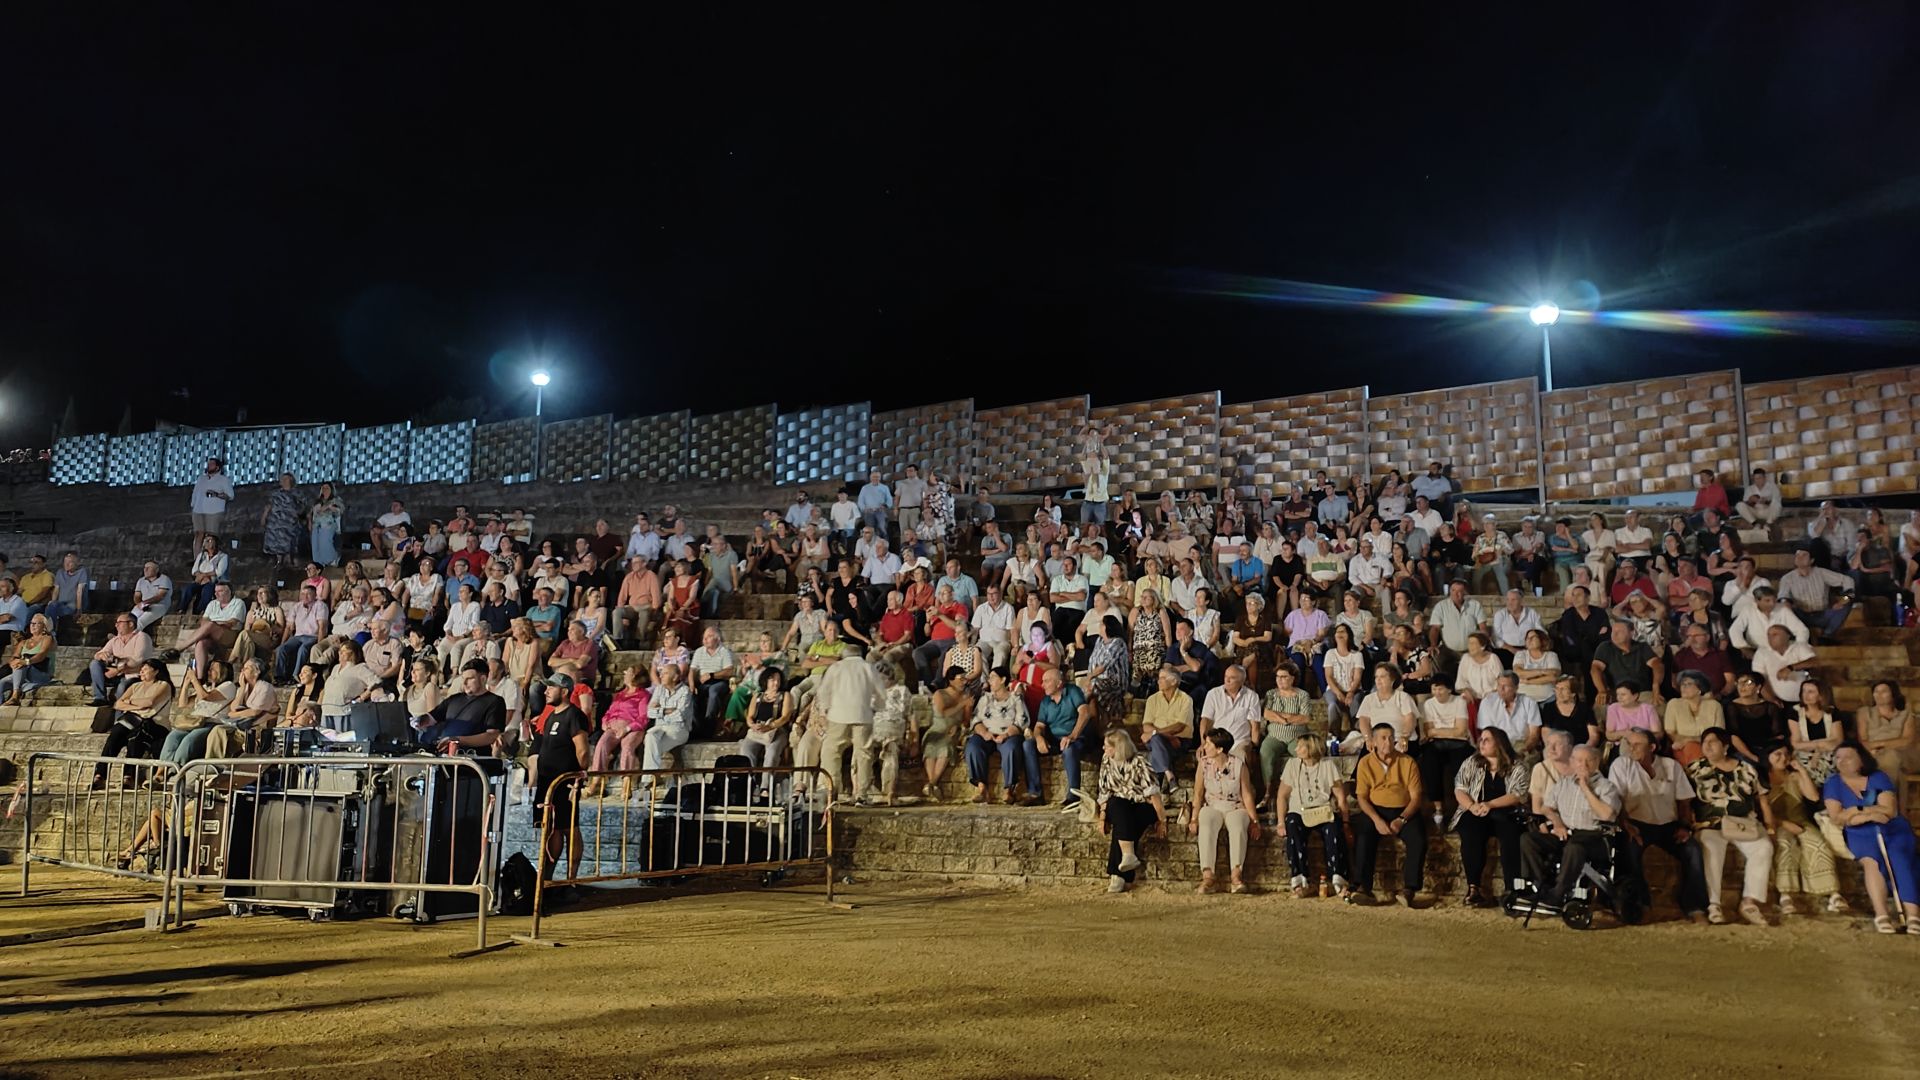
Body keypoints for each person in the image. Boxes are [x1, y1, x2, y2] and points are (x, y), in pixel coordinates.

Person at [1608, 726, 1710, 923]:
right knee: (1629, 851)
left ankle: (1695, 907)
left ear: (1652, 747)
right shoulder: (1621, 765)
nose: (1631, 748)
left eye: (1637, 744)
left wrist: (1684, 826)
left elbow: (1684, 801)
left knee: (1693, 851)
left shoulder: (1671, 766)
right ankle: (1641, 906)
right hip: (1636, 824)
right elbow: (1615, 799)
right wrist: (1625, 824)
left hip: (1668, 825)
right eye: (1629, 744)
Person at [1823, 741, 1920, 934]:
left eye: (1848, 757)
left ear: (1861, 760)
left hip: (1892, 829)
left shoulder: (1878, 777)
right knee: (1871, 861)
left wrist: (1856, 811)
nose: (1842, 762)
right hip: (1859, 833)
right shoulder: (1834, 783)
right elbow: (1837, 816)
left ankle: (1913, 917)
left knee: (1900, 860)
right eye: (1838, 757)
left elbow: (1889, 811)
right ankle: (1881, 915)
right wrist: (1866, 813)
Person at [1689, 727, 1777, 926]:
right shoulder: (1695, 768)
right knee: (1710, 848)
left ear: (1726, 746)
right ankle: (1713, 904)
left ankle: (1749, 902)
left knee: (1763, 847)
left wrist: (1770, 826)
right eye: (1704, 742)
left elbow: (1762, 799)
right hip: (1710, 824)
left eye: (1713, 741)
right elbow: (1684, 800)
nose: (1707, 746)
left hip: (1743, 823)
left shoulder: (1746, 769)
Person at [1519, 744, 1623, 910]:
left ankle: (1558, 894)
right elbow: (1547, 807)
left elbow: (1607, 815)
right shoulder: (1563, 783)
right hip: (1566, 833)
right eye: (1579, 760)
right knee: (1528, 839)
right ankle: (1541, 887)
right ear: (1572, 762)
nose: (1583, 765)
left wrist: (1585, 788)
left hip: (1594, 836)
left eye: (1588, 761)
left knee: (1575, 847)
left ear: (1596, 762)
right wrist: (1557, 822)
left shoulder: (1606, 787)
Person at [1351, 721, 1430, 907]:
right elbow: (1361, 797)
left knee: (1418, 838)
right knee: (1363, 835)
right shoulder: (1365, 763)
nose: (1388, 742)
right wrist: (1377, 820)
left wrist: (1402, 819)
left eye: (1391, 738)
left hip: (1403, 810)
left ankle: (1409, 889)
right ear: (1375, 741)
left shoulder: (1407, 762)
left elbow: (1416, 796)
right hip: (1375, 809)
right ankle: (1362, 887)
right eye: (1383, 738)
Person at [1763, 746, 1848, 917]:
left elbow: (1814, 797)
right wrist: (1783, 824)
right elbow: (1763, 811)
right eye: (1777, 754)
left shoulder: (1794, 777)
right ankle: (1786, 895)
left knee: (1818, 843)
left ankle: (1833, 894)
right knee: (1786, 845)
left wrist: (1801, 770)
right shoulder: (1763, 779)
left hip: (1800, 820)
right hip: (1777, 823)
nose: (1783, 758)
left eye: (1786, 754)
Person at [1452, 727, 1531, 906]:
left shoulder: (1517, 765)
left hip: (1505, 812)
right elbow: (1460, 789)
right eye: (1481, 739)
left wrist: (1491, 804)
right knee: (1470, 832)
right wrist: (1472, 806)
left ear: (1499, 743)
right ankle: (1474, 888)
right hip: (1476, 811)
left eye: (1487, 739)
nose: (1482, 742)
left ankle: (1512, 889)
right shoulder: (1472, 762)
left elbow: (1519, 794)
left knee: (1511, 835)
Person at [530, 673, 591, 884]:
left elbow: (583, 751)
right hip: (548, 782)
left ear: (564, 691)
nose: (546, 691)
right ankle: (549, 876)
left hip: (564, 782)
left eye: (551, 687)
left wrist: (577, 776)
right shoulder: (552, 715)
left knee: (569, 827)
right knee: (553, 827)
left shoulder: (574, 715)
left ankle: (571, 879)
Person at [1276, 732, 1350, 898]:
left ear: (1311, 748)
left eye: (1301, 746)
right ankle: (1300, 880)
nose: (1297, 749)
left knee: (1334, 828)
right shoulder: (1293, 765)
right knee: (1292, 824)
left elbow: (1340, 796)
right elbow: (1282, 795)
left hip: (1322, 811)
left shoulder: (1327, 766)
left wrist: (1346, 823)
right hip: (1300, 812)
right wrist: (1281, 822)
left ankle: (1339, 880)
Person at [1189, 728, 1260, 894]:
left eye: (1208, 744)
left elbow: (1247, 794)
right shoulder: (1204, 765)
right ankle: (1208, 876)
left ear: (1220, 749)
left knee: (1238, 826)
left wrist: (1254, 820)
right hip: (1213, 805)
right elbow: (1198, 793)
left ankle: (1236, 876)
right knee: (1205, 821)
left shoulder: (1238, 765)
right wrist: (1193, 818)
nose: (1205, 747)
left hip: (1235, 806)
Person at [1097, 728, 1168, 894]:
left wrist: (1162, 820)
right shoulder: (1106, 761)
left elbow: (1154, 794)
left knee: (1123, 823)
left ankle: (1118, 875)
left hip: (1142, 805)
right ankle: (1127, 857)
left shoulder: (1140, 762)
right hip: (1119, 805)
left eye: (1107, 746)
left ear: (1118, 747)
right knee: (1118, 805)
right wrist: (1102, 817)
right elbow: (1104, 791)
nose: (1103, 749)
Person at [90, 659, 174, 789]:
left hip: (155, 723)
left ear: (156, 671)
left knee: (136, 737)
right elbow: (118, 704)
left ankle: (129, 776)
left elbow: (149, 702)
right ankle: (100, 775)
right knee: (115, 735)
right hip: (132, 719)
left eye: (145, 669)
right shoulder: (135, 686)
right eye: (141, 669)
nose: (142, 671)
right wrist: (137, 705)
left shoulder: (163, 685)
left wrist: (129, 702)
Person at [966, 666, 1042, 805]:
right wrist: (984, 733)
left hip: (1008, 735)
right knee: (972, 746)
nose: (990, 681)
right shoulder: (985, 698)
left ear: (1003, 680)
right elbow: (976, 719)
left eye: (993, 677)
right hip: (987, 734)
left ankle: (1009, 789)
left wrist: (1006, 734)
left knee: (1011, 748)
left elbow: (1022, 720)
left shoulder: (1015, 698)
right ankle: (982, 788)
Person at [1032, 667, 1096, 808]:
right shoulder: (1045, 702)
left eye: (1047, 681)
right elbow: (1039, 726)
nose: (1043, 685)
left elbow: (1084, 713)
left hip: (1077, 738)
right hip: (1055, 740)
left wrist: (1072, 736)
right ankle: (1035, 793)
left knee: (1069, 749)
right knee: (1027, 745)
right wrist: (1038, 738)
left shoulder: (1073, 691)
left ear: (1059, 683)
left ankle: (1074, 796)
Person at [1854, 680, 1914, 805]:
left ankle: (1883, 803)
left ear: (1893, 694)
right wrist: (1879, 747)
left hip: (1902, 754)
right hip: (1872, 753)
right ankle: (1893, 807)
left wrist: (1879, 744)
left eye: (1884, 691)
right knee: (1890, 763)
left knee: (1892, 756)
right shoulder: (1864, 713)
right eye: (1876, 692)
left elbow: (1907, 740)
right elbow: (1863, 741)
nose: (1879, 695)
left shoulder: (1905, 714)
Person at [921, 666, 972, 801]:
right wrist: (962, 704)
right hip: (937, 728)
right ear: (951, 680)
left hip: (952, 731)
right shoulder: (939, 694)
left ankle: (931, 783)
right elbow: (943, 713)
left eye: (965, 678)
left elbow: (966, 722)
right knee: (931, 745)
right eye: (961, 678)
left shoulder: (965, 697)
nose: (964, 681)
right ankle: (933, 784)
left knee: (945, 745)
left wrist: (967, 711)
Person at [1789, 677, 1844, 786]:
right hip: (1804, 753)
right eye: (1804, 691)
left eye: (1811, 692)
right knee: (1805, 769)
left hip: (1828, 752)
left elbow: (1838, 740)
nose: (1806, 695)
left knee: (1832, 763)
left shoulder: (1832, 711)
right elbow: (1796, 743)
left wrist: (1818, 752)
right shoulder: (1794, 712)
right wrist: (1819, 745)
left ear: (1821, 695)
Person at [1477, 671, 1543, 757]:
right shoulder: (1487, 702)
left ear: (1516, 687)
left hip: (1522, 744)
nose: (1501, 689)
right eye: (1499, 685)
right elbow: (1486, 733)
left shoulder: (1529, 703)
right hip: (1497, 744)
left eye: (1506, 686)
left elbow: (1534, 735)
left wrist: (1524, 750)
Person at [1664, 670, 1724, 765]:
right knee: (1691, 748)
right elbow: (1670, 732)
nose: (1684, 687)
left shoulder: (1714, 706)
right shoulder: (1674, 704)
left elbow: (1719, 733)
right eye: (1682, 684)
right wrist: (1688, 742)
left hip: (1710, 746)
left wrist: (1690, 739)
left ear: (1699, 689)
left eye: (1688, 684)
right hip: (1682, 748)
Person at [0, 613, 55, 705]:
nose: (32, 626)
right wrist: (14, 662)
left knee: (21, 665)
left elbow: (41, 655)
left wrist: (26, 661)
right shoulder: (23, 642)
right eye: (31, 623)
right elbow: (15, 657)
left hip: (39, 672)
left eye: (36, 623)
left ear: (44, 626)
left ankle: (15, 696)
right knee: (2, 683)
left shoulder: (47, 638)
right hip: (23, 673)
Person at [188, 456, 233, 553]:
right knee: (198, 534)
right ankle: (197, 558)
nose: (209, 466)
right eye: (208, 464)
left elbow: (230, 495)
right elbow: (195, 492)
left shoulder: (223, 480)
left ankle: (210, 558)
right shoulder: (201, 479)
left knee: (211, 535)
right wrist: (193, 504)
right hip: (198, 510)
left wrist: (216, 494)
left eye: (211, 464)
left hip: (214, 511)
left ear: (217, 467)